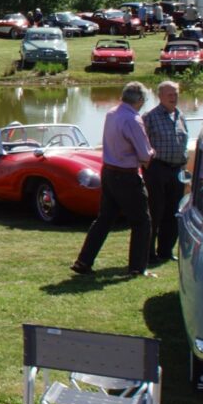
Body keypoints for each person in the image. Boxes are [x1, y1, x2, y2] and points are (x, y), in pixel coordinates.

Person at [72, 82, 154, 278]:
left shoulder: (111, 113)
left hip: (108, 172)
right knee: (142, 221)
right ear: (140, 100)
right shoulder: (133, 119)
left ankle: (83, 261)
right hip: (126, 175)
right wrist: (152, 154)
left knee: (104, 219)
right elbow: (144, 154)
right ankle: (137, 267)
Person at [143, 81, 188, 267]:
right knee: (156, 211)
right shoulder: (149, 117)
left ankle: (166, 250)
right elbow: (141, 144)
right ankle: (148, 252)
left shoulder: (180, 115)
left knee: (173, 211)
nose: (173, 97)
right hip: (157, 169)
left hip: (176, 170)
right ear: (160, 96)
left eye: (176, 94)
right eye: (170, 94)